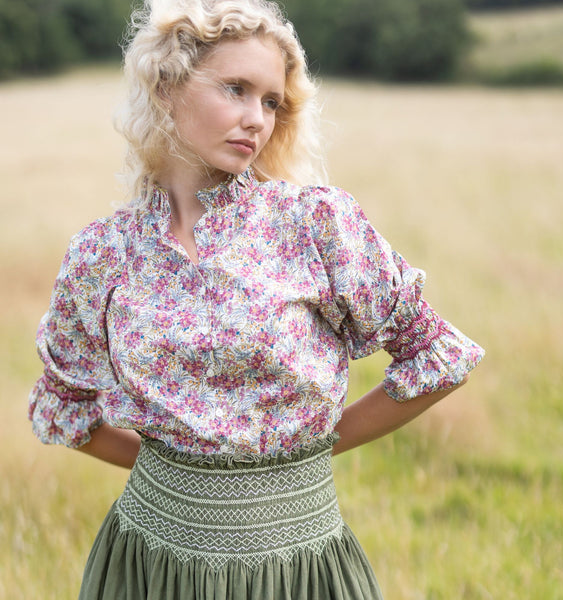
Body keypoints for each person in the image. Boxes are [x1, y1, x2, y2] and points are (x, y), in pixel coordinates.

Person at [28, 0, 485, 598]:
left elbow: (437, 358)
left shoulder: (314, 223)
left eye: (271, 102)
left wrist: (307, 455)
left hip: (298, 562)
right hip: (148, 563)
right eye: (236, 89)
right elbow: (63, 408)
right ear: (167, 88)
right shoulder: (102, 253)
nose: (256, 119)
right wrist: (176, 477)